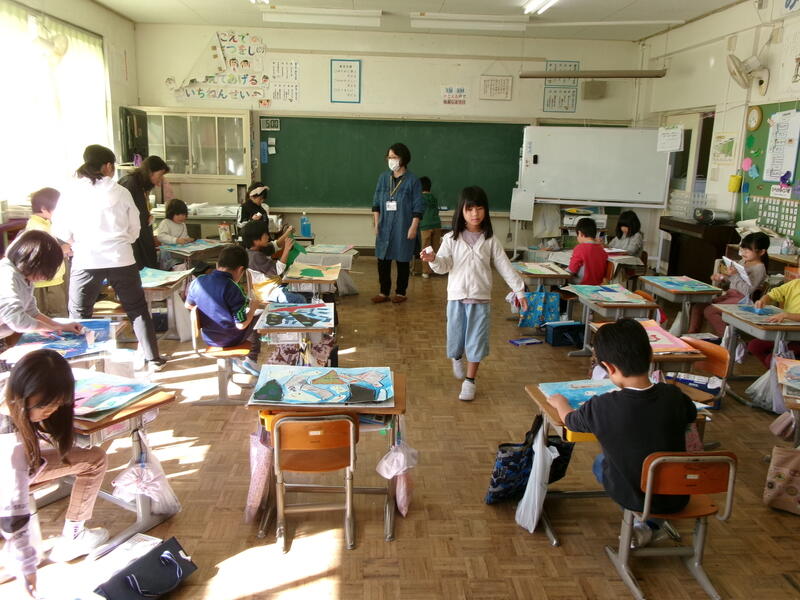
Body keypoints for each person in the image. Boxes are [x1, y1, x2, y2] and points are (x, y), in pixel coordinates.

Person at [546, 319, 697, 548]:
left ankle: (642, 522)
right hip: (679, 494)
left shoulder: (602, 406)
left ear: (609, 368)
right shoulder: (673, 396)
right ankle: (651, 524)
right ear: (650, 356)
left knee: (601, 463)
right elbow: (691, 414)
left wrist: (560, 403)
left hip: (633, 495)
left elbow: (571, 422)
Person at [1, 350, 109, 597]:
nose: (52, 410)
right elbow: (14, 511)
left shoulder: (8, 389)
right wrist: (27, 567)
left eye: (58, 403)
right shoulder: (11, 446)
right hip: (7, 485)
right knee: (95, 459)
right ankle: (75, 536)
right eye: (46, 404)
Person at [52, 144, 166, 371]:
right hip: (121, 258)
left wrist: (78, 242)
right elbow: (135, 228)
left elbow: (61, 230)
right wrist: (122, 241)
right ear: (106, 166)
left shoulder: (71, 192)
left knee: (80, 311)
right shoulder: (120, 192)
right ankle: (153, 359)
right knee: (137, 309)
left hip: (86, 260)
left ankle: (79, 365)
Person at [422, 186, 527, 402]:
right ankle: (456, 356)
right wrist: (433, 260)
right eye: (469, 209)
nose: (475, 214)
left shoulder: (490, 240)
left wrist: (519, 291)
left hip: (480, 299)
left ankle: (470, 381)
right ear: (461, 210)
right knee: (456, 339)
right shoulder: (451, 238)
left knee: (476, 341)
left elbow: (505, 266)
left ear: (485, 210)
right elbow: (443, 265)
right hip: (456, 298)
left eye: (479, 208)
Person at [0, 230, 83, 352]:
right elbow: (16, 319)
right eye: (45, 271)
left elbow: (31, 312)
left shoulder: (24, 277)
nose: (44, 278)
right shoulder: (7, 275)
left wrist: (61, 326)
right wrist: (43, 327)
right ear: (34, 262)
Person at [185, 244, 261, 376]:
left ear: (217, 264)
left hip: (209, 338)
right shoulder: (233, 288)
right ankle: (251, 360)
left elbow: (188, 305)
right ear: (241, 269)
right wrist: (253, 308)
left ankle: (234, 360)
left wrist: (210, 310)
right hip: (230, 339)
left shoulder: (198, 281)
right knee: (258, 316)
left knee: (246, 314)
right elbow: (241, 325)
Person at [372, 143, 425, 304]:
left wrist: (413, 227)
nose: (391, 160)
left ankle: (401, 292)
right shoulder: (383, 178)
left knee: (402, 259)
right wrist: (376, 223)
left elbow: (418, 206)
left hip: (403, 226)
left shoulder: (413, 180)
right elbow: (376, 203)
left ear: (403, 158)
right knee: (382, 260)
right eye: (389, 157)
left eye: (394, 157)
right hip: (384, 225)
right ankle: (383, 292)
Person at [688, 232, 770, 337]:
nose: (743, 253)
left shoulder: (759, 268)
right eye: (743, 249)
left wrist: (734, 275)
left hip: (742, 300)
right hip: (730, 295)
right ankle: (691, 336)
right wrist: (722, 278)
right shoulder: (743, 261)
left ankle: (725, 338)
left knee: (710, 311)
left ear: (761, 252)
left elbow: (746, 291)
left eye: (748, 250)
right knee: (698, 307)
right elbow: (733, 281)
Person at [118, 156, 170, 269]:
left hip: (143, 236)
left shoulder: (142, 186)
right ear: (150, 172)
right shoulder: (130, 184)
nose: (161, 179)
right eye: (160, 175)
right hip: (133, 241)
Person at [25, 188, 70, 318]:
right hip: (47, 283)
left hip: (52, 280)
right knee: (55, 317)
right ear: (44, 209)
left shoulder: (45, 224)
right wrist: (62, 249)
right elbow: (41, 255)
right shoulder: (38, 228)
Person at [241, 220, 305, 303]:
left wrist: (288, 232)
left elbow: (276, 244)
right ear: (255, 240)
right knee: (299, 299)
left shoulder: (257, 248)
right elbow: (278, 269)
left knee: (304, 290)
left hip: (275, 285)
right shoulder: (255, 257)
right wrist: (286, 250)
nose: (268, 236)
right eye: (265, 234)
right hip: (268, 291)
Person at [749, 277, 800, 367]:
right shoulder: (795, 283)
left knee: (772, 360)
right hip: (786, 332)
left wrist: (786, 315)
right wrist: (762, 301)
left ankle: (778, 372)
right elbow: (773, 294)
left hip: (797, 338)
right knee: (754, 346)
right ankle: (774, 373)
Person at [568, 217, 607, 285]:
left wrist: (561, 271)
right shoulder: (602, 250)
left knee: (558, 282)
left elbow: (572, 270)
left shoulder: (580, 248)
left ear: (580, 233)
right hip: (597, 286)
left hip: (581, 285)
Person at [418, 176, 441, 280]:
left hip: (425, 225)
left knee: (425, 249)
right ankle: (436, 269)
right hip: (436, 224)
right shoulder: (434, 198)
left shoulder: (419, 198)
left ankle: (426, 272)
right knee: (435, 248)